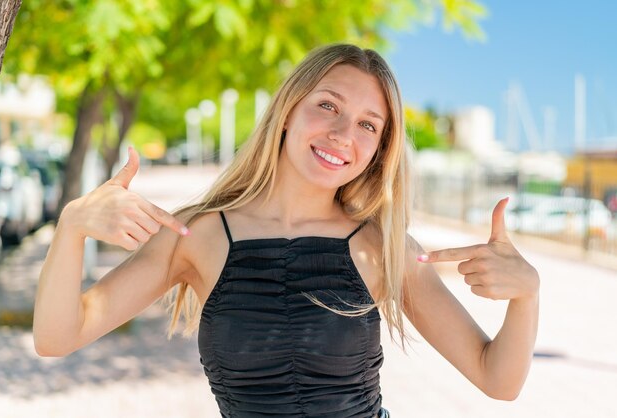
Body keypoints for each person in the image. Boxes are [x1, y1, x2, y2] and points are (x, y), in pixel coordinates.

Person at [33, 44, 540, 417]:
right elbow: (58, 336)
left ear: (380, 149)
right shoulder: (196, 234)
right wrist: (72, 225)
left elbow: (498, 380)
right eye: (328, 105)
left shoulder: (384, 248)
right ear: (287, 111)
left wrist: (527, 295)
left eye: (369, 124)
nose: (343, 134)